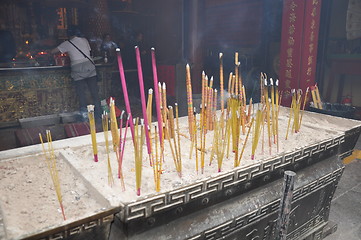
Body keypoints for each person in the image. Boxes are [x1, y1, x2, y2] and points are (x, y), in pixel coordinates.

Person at [51, 25, 101, 122]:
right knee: (94, 93)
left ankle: (84, 116)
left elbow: (53, 51)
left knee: (81, 93)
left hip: (77, 68)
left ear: (68, 34)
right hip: (89, 66)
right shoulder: (84, 40)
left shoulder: (67, 43)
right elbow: (89, 52)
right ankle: (98, 115)